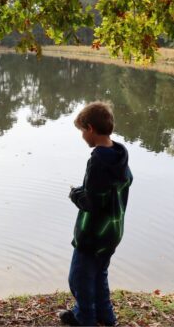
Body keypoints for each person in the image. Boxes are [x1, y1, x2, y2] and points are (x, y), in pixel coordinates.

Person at [59, 101, 133, 327]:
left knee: (79, 278)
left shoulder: (98, 160)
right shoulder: (119, 154)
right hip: (112, 232)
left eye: (82, 130)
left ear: (90, 128)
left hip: (94, 234)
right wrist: (85, 191)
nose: (82, 136)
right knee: (99, 274)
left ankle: (85, 318)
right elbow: (104, 192)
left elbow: (91, 202)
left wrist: (74, 195)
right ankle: (106, 316)